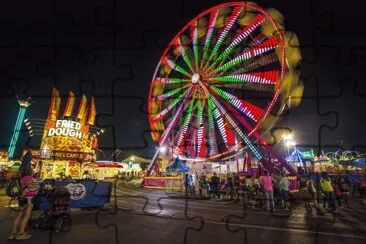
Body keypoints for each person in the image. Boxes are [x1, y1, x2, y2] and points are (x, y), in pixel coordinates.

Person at [9, 172, 41, 240]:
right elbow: (33, 189)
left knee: (19, 215)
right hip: (30, 199)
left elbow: (21, 187)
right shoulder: (33, 180)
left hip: (21, 198)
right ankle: (21, 234)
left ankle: (13, 234)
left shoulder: (23, 178)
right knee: (27, 215)